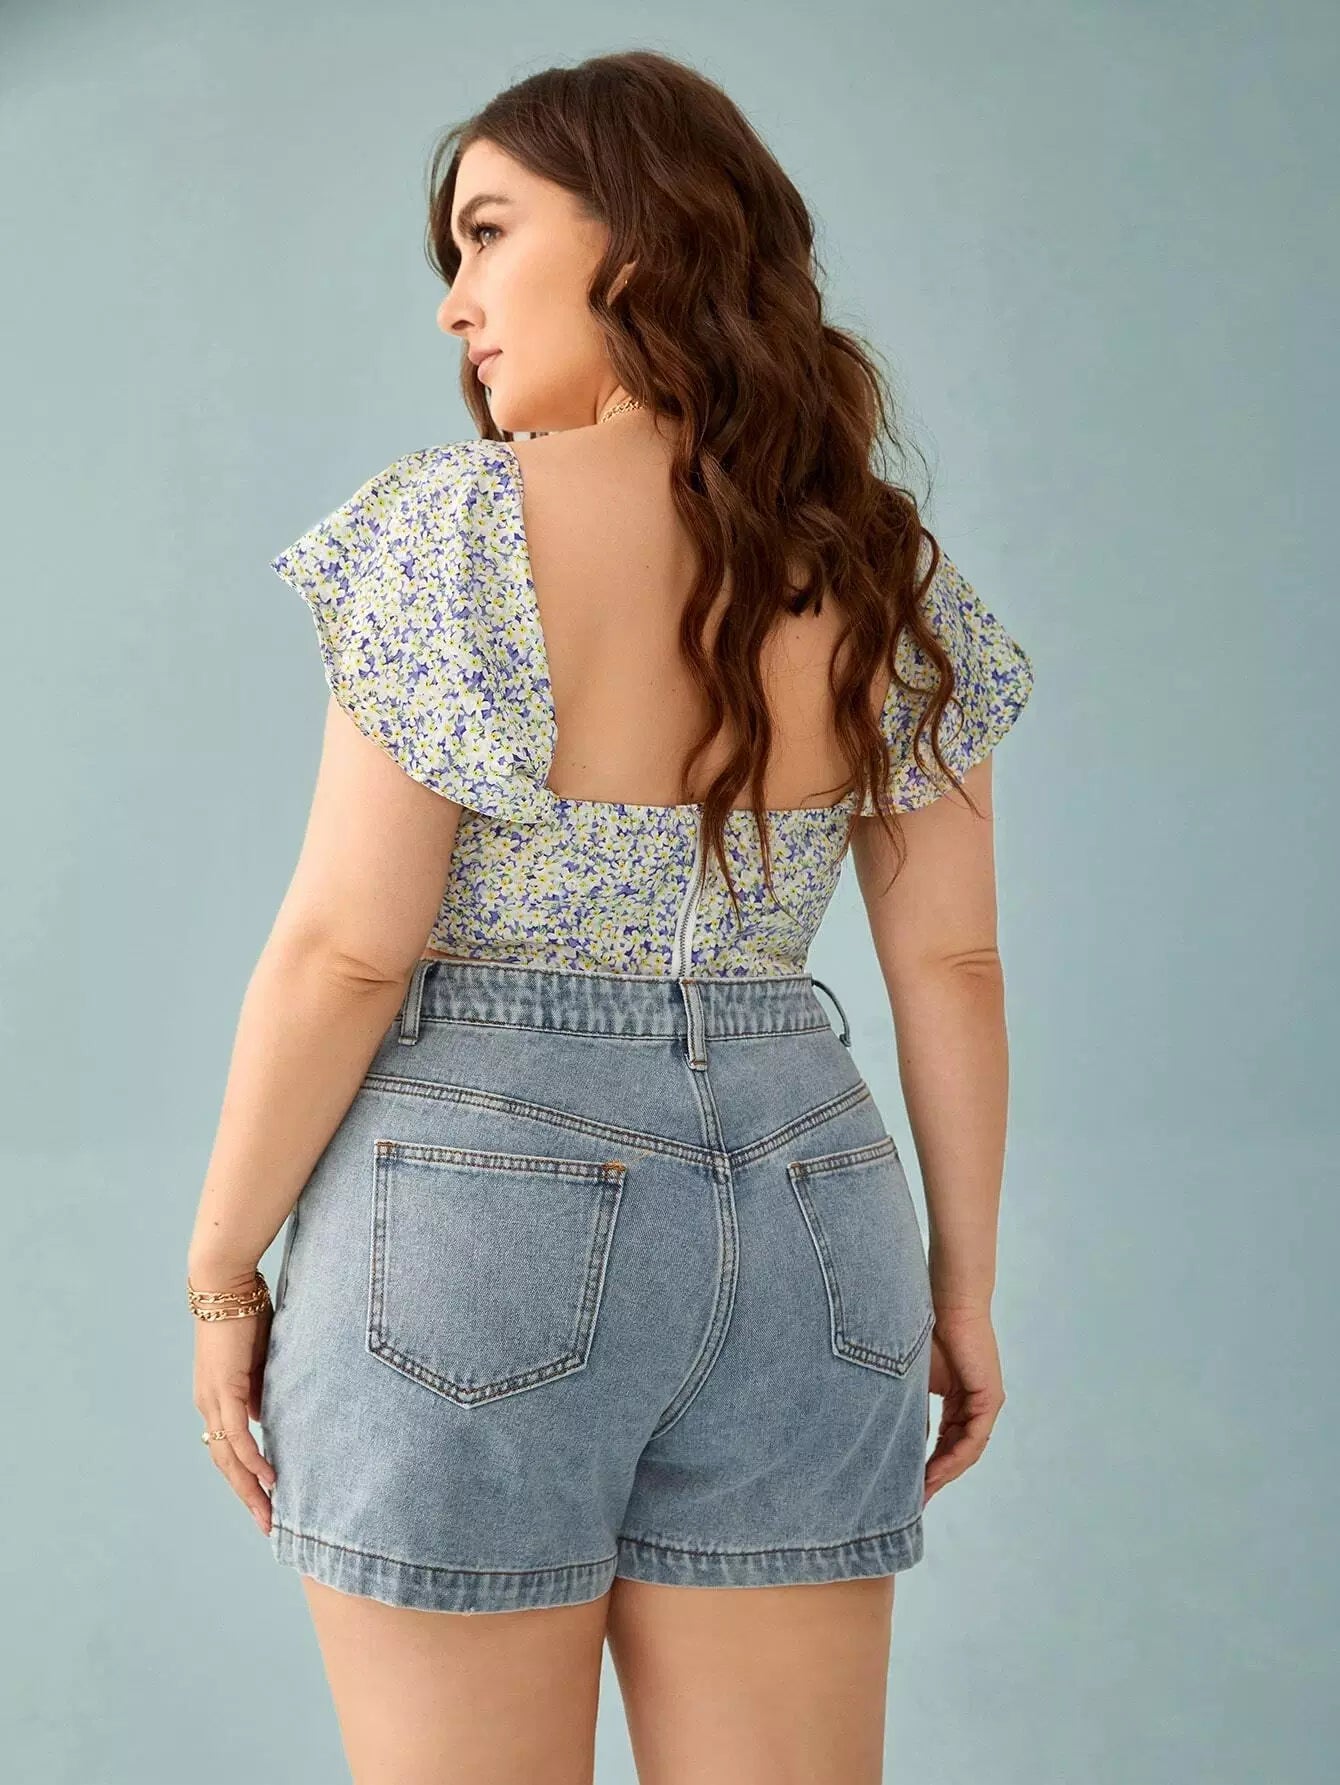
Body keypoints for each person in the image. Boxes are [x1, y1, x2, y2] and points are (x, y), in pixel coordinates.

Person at [185, 48, 1035, 1785]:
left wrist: (219, 1272)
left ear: (638, 242)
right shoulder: (877, 563)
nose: (455, 304)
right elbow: (950, 962)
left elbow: (351, 948)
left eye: (489, 234)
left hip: (476, 1213)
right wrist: (965, 1287)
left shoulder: (453, 532)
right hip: (819, 1220)